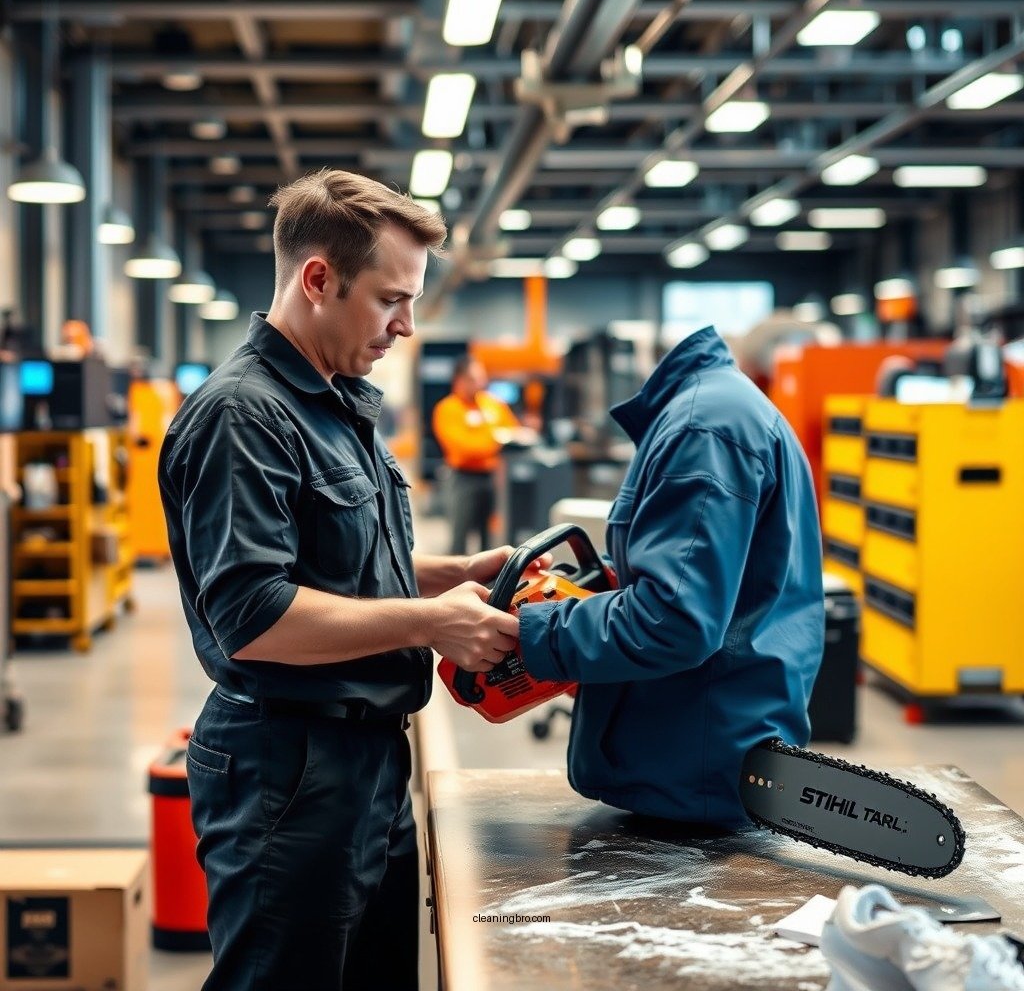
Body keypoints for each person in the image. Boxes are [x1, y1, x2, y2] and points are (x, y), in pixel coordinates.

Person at [158, 169, 533, 991]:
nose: (406, 325)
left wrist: (454, 574)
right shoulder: (244, 416)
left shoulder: (334, 401)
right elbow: (255, 615)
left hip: (365, 764)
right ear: (319, 279)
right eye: (391, 299)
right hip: (288, 774)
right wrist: (430, 622)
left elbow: (340, 565)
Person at [517, 324, 825, 830]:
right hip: (697, 756)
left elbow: (673, 618)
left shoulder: (704, 428)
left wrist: (534, 633)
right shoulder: (706, 412)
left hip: (698, 767)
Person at [432, 356, 534, 554]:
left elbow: (513, 431)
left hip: (492, 477)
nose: (480, 383)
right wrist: (495, 442)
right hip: (463, 478)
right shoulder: (448, 409)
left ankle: (487, 573)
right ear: (459, 380)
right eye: (473, 379)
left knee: (490, 536)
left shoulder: (492, 405)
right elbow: (463, 448)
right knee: (460, 536)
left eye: (482, 378)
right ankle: (457, 572)